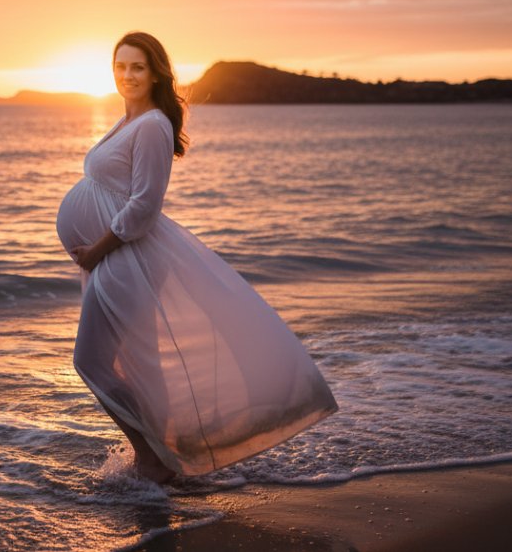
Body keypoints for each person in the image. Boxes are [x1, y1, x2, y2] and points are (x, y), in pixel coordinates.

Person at [55, 31, 338, 484]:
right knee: (137, 363)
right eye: (120, 66)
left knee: (90, 362)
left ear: (156, 73)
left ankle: (150, 456)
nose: (127, 75)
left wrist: (96, 250)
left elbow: (145, 205)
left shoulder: (151, 125)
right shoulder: (130, 121)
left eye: (138, 67)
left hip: (128, 257)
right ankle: (169, 460)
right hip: (116, 259)